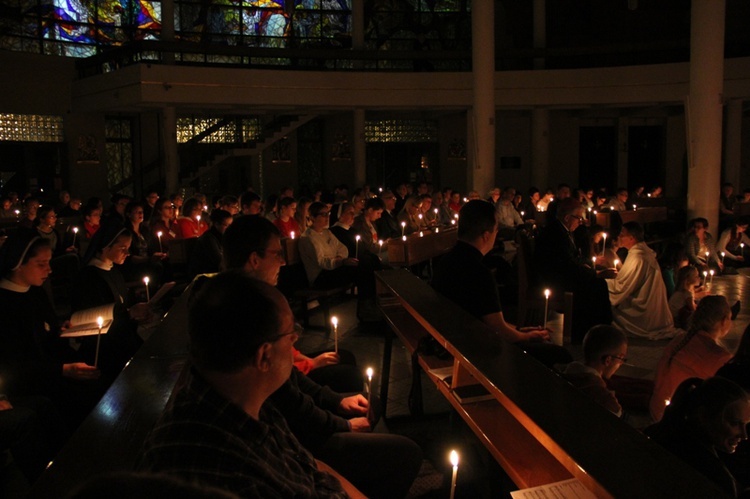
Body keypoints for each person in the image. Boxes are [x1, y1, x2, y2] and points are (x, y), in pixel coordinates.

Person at [138, 272, 368, 498]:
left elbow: (311, 467)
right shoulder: (217, 469)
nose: (296, 341)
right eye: (291, 333)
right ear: (264, 356)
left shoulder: (249, 397)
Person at [432, 200, 572, 368]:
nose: (496, 233)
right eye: (496, 229)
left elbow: (487, 322)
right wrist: (527, 336)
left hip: (454, 341)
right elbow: (499, 331)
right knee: (561, 355)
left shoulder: (446, 261)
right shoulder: (479, 272)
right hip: (474, 352)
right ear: (486, 235)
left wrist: (520, 330)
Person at [646, 376, 750, 497]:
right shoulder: (711, 475)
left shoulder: (657, 433)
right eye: (735, 423)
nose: (744, 435)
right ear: (703, 416)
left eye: (746, 424)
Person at [533, 197, 613, 344]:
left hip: (562, 275)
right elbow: (567, 265)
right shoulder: (556, 233)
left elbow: (575, 258)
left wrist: (590, 265)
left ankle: (598, 331)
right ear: (567, 217)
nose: (580, 221)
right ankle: (593, 334)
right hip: (554, 281)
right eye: (578, 217)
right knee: (598, 285)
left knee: (598, 283)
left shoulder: (563, 230)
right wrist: (595, 273)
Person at [650, 296, 734, 422]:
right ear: (724, 321)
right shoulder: (720, 357)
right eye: (730, 318)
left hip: (657, 410)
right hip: (679, 421)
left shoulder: (680, 339)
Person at [606, 222, 678, 340]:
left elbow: (622, 286)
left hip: (644, 315)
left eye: (622, 234)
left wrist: (603, 282)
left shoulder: (638, 257)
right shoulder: (642, 253)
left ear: (631, 238)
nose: (619, 236)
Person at [562, 325, 628, 417]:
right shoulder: (604, 399)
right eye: (621, 358)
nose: (621, 363)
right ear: (608, 360)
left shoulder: (564, 373)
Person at [189, 209, 233, 277]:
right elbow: (218, 261)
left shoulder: (223, 236)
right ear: (216, 224)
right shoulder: (208, 238)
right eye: (226, 225)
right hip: (205, 275)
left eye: (231, 225)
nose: (229, 228)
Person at [668, 265, 704, 330]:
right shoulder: (687, 293)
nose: (699, 278)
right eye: (696, 276)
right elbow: (693, 309)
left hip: (672, 317)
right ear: (688, 280)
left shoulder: (681, 291)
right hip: (677, 320)